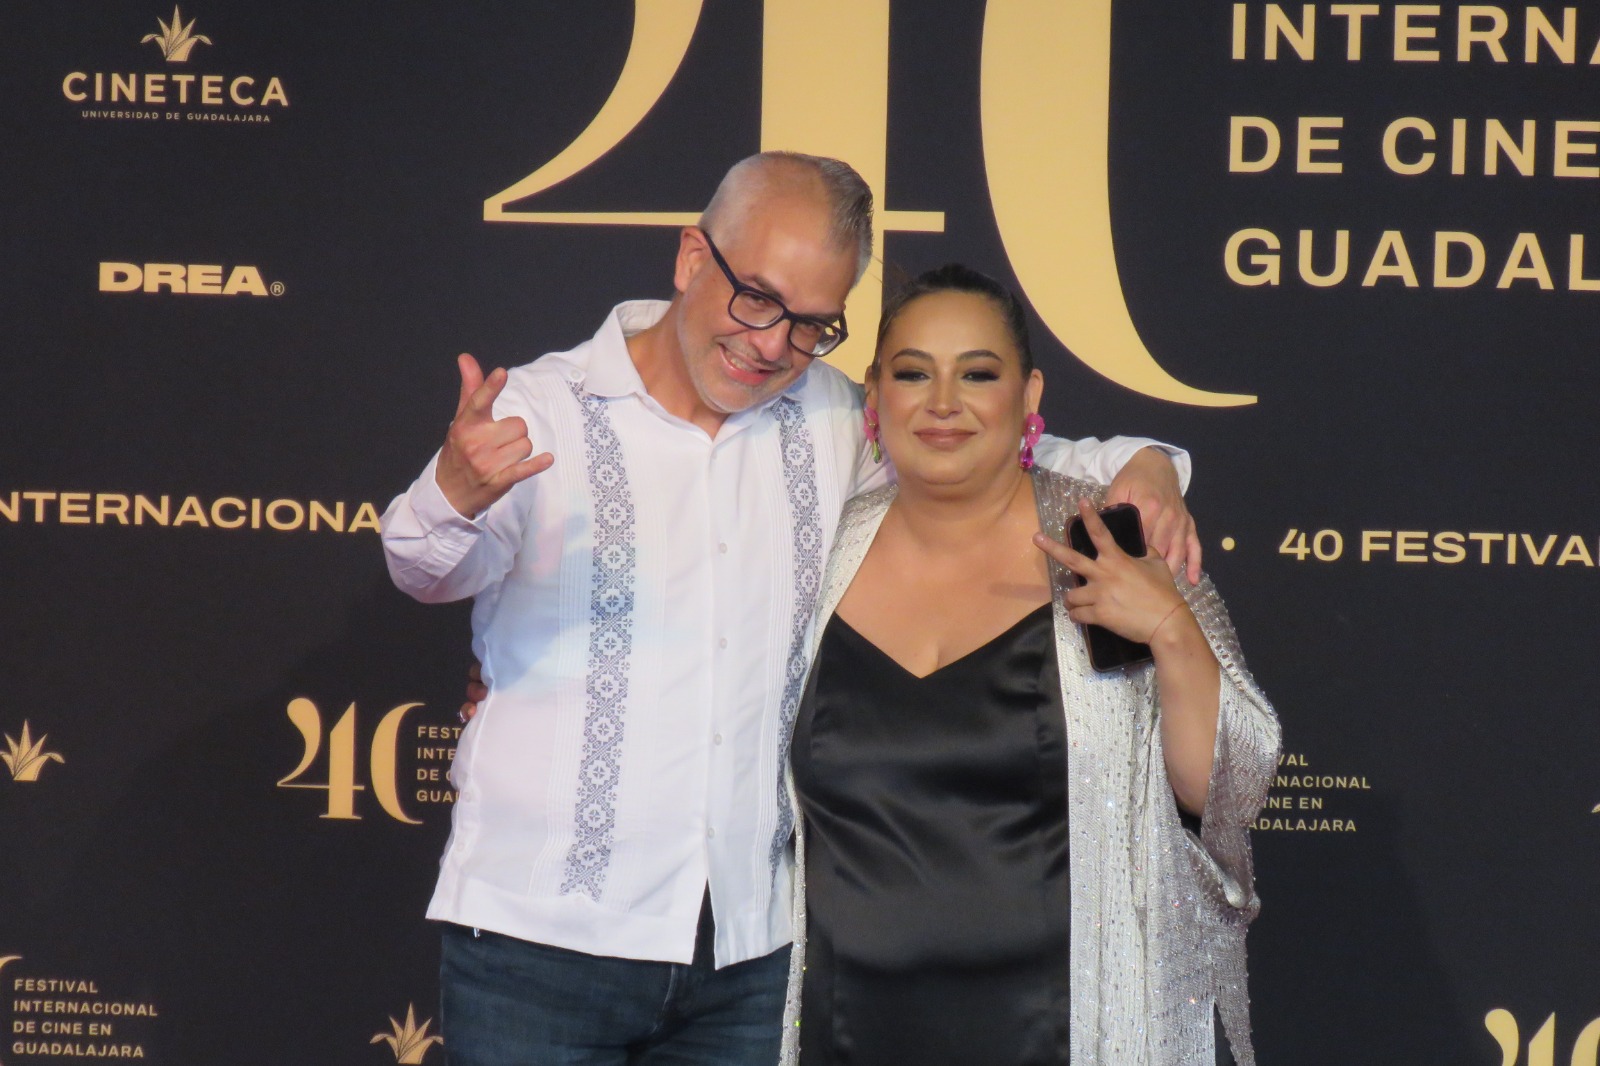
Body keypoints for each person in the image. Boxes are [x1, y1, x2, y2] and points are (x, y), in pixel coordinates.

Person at [382, 152, 1201, 1066]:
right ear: (693, 258)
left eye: (813, 324)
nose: (772, 344)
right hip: (540, 944)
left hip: (750, 952)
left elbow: (993, 450)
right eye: (757, 299)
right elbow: (422, 568)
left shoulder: (831, 418)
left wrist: (1149, 465)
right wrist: (451, 492)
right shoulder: (544, 411)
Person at [781, 265, 1280, 1066]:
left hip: (1070, 1032)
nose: (943, 403)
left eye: (978, 373)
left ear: (1028, 393)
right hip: (850, 1034)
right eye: (914, 373)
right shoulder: (812, 556)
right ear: (874, 396)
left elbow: (1227, 795)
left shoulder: (1105, 546)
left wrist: (1172, 630)